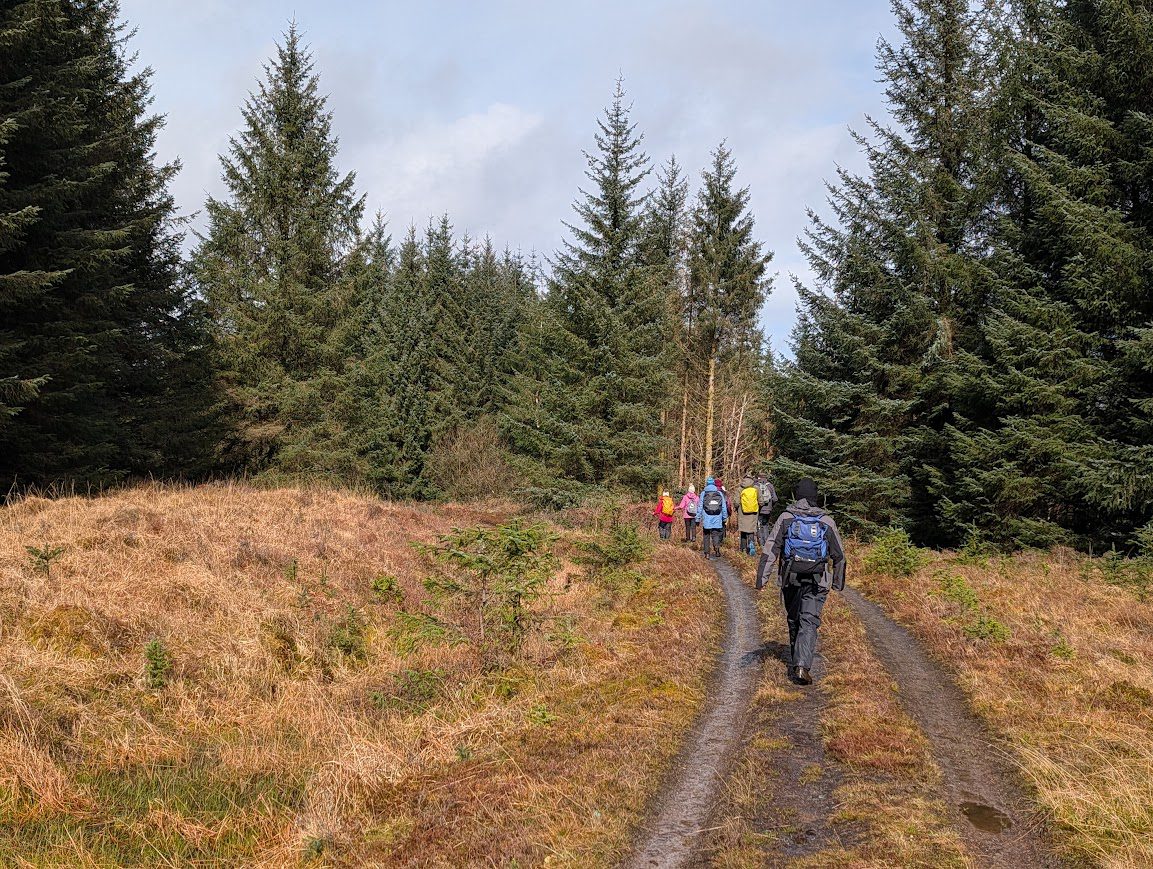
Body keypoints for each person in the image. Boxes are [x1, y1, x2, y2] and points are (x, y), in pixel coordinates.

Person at [755, 478, 846, 685]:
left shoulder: (786, 518)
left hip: (790, 577)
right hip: (817, 580)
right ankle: (802, 666)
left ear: (797, 496)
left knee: (794, 617)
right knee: (809, 620)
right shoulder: (826, 521)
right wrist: (837, 583)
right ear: (815, 496)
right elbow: (839, 555)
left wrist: (762, 579)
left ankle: (798, 660)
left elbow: (770, 549)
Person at [695, 477, 728, 558]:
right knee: (715, 534)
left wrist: (697, 518)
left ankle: (707, 553)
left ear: (707, 484)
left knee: (706, 535)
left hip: (707, 517)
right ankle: (717, 549)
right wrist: (724, 517)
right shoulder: (719, 493)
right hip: (717, 517)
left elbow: (700, 506)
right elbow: (723, 507)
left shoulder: (703, 493)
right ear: (713, 484)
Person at [737, 475, 760, 556]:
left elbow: (736, 502)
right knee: (751, 531)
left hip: (742, 513)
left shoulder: (740, 489)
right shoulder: (756, 488)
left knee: (743, 531)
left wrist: (737, 508)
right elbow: (761, 501)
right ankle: (751, 547)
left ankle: (743, 549)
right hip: (753, 513)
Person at [755, 474, 778, 546]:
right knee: (765, 525)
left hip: (759, 509)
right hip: (768, 510)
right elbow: (775, 499)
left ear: (759, 478)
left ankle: (761, 543)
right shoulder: (770, 486)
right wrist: (771, 506)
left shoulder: (756, 486)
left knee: (759, 525)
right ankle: (767, 543)